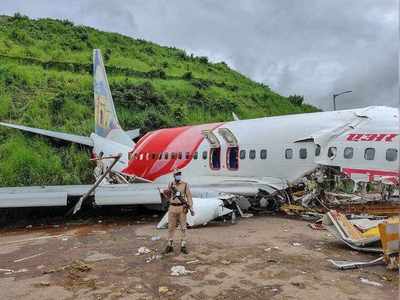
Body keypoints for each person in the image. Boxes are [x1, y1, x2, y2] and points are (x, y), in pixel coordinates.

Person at [163, 170, 194, 254]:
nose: (178, 176)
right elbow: (168, 195)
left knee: (183, 227)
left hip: (182, 207)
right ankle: (170, 245)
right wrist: (166, 193)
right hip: (172, 207)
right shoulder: (171, 184)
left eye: (179, 174)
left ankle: (183, 245)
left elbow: (189, 196)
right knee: (170, 227)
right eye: (177, 175)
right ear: (174, 175)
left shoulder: (185, 184)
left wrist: (190, 207)